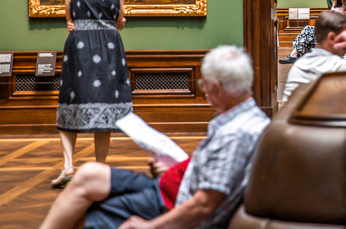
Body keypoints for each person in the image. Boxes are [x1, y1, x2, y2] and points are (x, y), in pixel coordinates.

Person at [39, 45, 270, 229]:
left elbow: (203, 205)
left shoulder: (235, 134)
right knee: (90, 173)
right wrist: (178, 165)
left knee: (84, 214)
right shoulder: (249, 118)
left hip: (170, 202)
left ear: (218, 89)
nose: (205, 92)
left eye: (205, 86)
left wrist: (152, 227)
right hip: (172, 184)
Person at [52, 0, 131, 188]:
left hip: (79, 47)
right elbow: (119, 22)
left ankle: (68, 165)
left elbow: (70, 21)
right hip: (108, 46)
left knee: (70, 100)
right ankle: (99, 167)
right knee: (105, 102)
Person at [280, 0, 346, 65]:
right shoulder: (344, 13)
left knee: (309, 30)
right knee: (309, 29)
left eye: (343, 3)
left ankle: (295, 55)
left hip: (338, 38)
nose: (342, 5)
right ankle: (294, 54)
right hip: (333, 34)